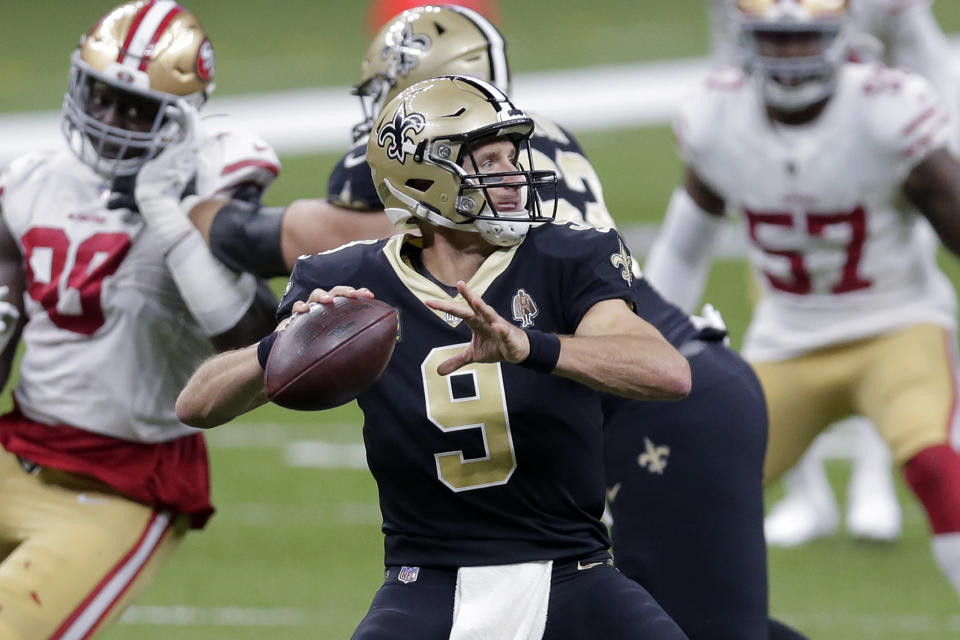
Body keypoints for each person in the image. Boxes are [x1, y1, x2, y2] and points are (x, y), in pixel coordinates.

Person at [179, 6, 810, 638]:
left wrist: (528, 344)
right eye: (490, 161)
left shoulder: (567, 252)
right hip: (428, 574)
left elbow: (667, 372)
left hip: (579, 551)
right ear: (424, 175)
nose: (517, 177)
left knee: (720, 627)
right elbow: (197, 404)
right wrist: (282, 350)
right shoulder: (347, 276)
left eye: (514, 157)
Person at [645, 0, 960, 599]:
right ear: (744, 38)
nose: (790, 55)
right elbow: (684, 250)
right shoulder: (717, 117)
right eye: (774, 39)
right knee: (693, 488)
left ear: (840, 35)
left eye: (804, 39)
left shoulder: (886, 110)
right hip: (787, 338)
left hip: (896, 325)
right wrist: (641, 340)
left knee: (935, 463)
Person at [0, 2, 279, 637]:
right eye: (101, 96)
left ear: (181, 116)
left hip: (122, 485)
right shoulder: (32, 181)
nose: (111, 120)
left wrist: (168, 213)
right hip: (16, 449)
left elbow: (259, 348)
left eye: (136, 108)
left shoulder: (210, 181)